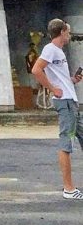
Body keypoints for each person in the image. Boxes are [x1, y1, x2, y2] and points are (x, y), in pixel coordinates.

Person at [31, 18, 83, 200]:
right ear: (62, 32)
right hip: (65, 103)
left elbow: (58, 76)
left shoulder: (58, 52)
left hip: (71, 102)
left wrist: (72, 80)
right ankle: (69, 188)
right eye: (67, 32)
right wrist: (53, 89)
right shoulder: (50, 49)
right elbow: (37, 70)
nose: (69, 35)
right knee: (66, 143)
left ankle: (71, 188)